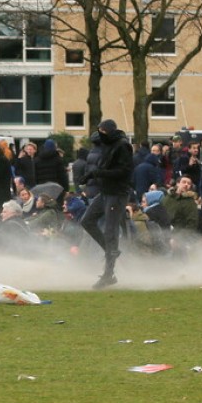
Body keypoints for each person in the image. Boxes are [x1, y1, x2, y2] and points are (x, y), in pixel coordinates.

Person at [77, 119, 133, 289]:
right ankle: (111, 251)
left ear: (108, 131)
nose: (100, 133)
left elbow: (124, 171)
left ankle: (109, 273)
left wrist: (98, 172)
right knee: (87, 221)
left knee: (110, 231)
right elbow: (103, 166)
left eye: (102, 131)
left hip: (117, 193)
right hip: (106, 192)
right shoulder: (107, 144)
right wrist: (91, 176)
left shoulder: (122, 146)